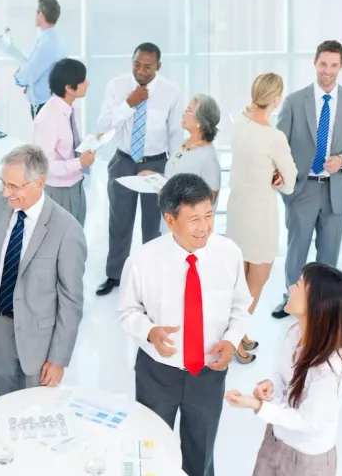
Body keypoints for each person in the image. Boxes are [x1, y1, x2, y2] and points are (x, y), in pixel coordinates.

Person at [117, 173, 251, 476]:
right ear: (170, 219)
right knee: (151, 449)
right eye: (194, 219)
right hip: (157, 373)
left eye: (209, 216)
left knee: (200, 453)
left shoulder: (229, 253)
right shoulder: (143, 259)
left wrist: (231, 341)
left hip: (208, 372)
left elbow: (241, 305)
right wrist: (149, 331)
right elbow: (127, 310)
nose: (204, 227)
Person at [0, 145, 86, 396]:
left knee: (36, 410)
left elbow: (71, 301)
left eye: (14, 186)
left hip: (39, 339)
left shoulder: (67, 230)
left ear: (39, 183)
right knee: (4, 403)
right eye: (3, 183)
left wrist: (58, 358)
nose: (6, 193)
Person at [224, 263, 342, 476]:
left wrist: (257, 405)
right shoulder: (294, 331)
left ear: (317, 303)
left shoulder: (332, 369)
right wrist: (271, 384)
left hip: (307, 460)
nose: (291, 288)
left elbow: (308, 421)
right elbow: (282, 373)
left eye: (299, 285)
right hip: (276, 438)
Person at [273, 40, 342, 318]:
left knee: (329, 254)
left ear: (341, 66)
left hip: (336, 190)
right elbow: (279, 145)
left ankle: (321, 306)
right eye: (323, 64)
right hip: (302, 188)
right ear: (315, 63)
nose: (327, 70)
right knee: (297, 250)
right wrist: (278, 173)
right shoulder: (294, 101)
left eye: (333, 65)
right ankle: (291, 299)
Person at [95, 43, 183, 297]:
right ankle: (115, 274)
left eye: (147, 67)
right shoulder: (117, 85)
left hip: (156, 164)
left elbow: (175, 133)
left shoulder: (171, 92)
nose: (141, 71)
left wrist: (172, 171)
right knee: (119, 220)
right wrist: (128, 104)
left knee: (153, 224)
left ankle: (151, 277)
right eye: (137, 65)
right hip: (123, 161)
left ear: (158, 66)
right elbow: (104, 124)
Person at [226, 74, 297, 360]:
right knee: (257, 281)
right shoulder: (273, 137)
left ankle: (239, 334)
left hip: (237, 213)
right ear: (276, 98)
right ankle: (234, 341)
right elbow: (290, 182)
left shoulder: (239, 124)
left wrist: (271, 172)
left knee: (239, 283)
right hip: (259, 219)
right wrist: (279, 177)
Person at [32, 58, 94, 225]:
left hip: (77, 185)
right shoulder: (47, 118)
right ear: (68, 87)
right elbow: (45, 166)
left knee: (77, 234)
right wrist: (80, 163)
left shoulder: (73, 110)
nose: (87, 83)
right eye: (82, 80)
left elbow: (71, 144)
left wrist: (93, 142)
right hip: (58, 191)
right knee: (62, 238)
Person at [154, 94, 223, 212]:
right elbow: (176, 175)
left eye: (188, 110)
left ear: (200, 120)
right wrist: (154, 177)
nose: (183, 114)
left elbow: (209, 199)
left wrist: (172, 194)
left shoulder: (208, 157)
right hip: (170, 216)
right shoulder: (185, 143)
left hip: (187, 221)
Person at [14, 0, 67, 118]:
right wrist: (30, 85)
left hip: (44, 104)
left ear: (41, 14)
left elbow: (32, 72)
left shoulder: (47, 42)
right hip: (50, 100)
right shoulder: (56, 39)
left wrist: (18, 77)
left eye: (36, 13)